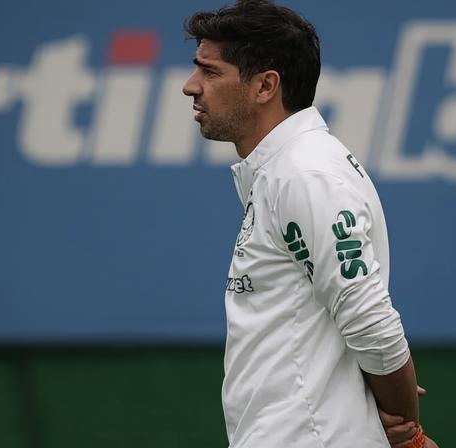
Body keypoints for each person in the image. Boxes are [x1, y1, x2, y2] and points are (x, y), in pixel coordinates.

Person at [182, 1, 438, 447]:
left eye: (210, 72)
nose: (191, 87)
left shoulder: (304, 174)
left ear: (265, 86)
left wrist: (410, 436)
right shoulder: (286, 171)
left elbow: (371, 319)